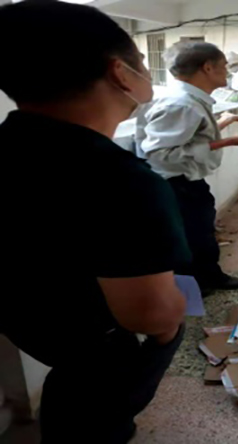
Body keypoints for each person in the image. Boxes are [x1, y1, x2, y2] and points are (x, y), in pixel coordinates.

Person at [0, 2, 192, 443]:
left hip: (31, 327)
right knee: (96, 414)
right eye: (141, 61)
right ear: (120, 73)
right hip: (95, 347)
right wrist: (170, 327)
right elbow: (149, 314)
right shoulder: (121, 180)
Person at [135, 41, 238, 294]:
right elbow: (159, 155)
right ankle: (194, 291)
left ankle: (211, 277)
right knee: (187, 238)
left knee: (202, 232)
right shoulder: (180, 104)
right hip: (174, 184)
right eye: (224, 66)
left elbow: (190, 138)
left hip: (187, 181)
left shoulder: (191, 100)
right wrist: (232, 141)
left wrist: (226, 122)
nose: (228, 72)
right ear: (207, 67)